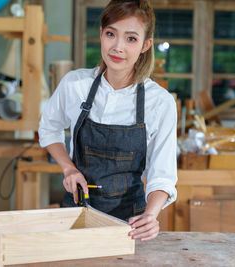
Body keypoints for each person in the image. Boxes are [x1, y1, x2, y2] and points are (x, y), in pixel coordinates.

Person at [39, 0, 177, 241]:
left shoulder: (160, 102)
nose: (118, 47)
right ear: (101, 34)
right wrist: (68, 168)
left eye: (131, 39)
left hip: (128, 224)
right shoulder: (75, 84)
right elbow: (49, 129)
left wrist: (151, 216)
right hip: (75, 214)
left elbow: (163, 175)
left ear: (146, 45)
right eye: (111, 34)